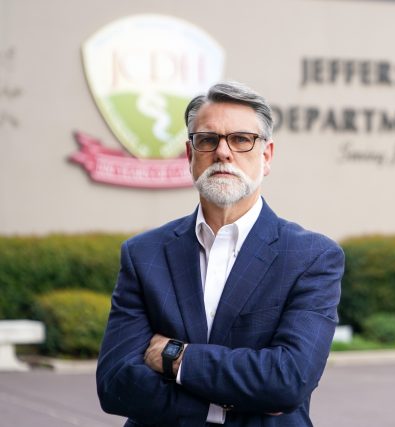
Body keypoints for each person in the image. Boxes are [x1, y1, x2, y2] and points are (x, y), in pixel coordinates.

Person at [96, 81, 344, 427]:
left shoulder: (311, 257)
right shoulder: (144, 254)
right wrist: (223, 407)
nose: (223, 152)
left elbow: (288, 380)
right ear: (190, 154)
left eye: (241, 139)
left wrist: (176, 358)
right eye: (208, 139)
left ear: (267, 156)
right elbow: (115, 384)